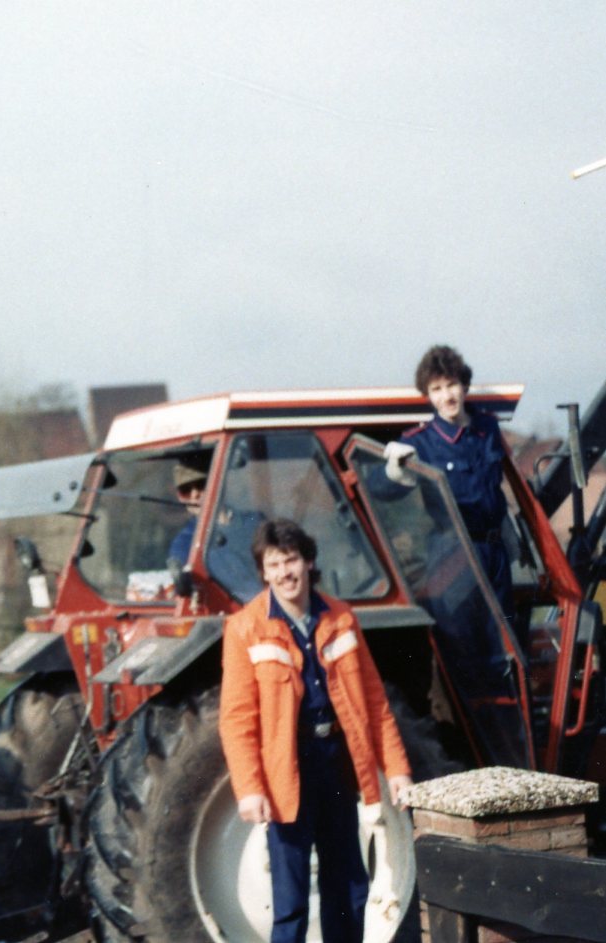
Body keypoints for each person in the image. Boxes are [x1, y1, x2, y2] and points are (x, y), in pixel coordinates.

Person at [219, 519, 412, 943]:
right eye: (274, 564)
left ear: (308, 562)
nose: (285, 572)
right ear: (264, 572)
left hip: (336, 767)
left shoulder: (341, 617)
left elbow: (375, 700)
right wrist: (250, 789)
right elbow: (236, 719)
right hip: (286, 773)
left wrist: (397, 768)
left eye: (291, 560)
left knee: (348, 887)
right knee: (290, 902)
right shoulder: (244, 628)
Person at [385, 345, 513, 622]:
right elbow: (381, 490)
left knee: (506, 636)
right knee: (464, 641)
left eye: (451, 385)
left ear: (464, 386)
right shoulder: (419, 442)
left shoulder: (487, 428)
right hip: (454, 553)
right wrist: (395, 470)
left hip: (496, 551)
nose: (446, 396)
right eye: (437, 389)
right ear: (428, 395)